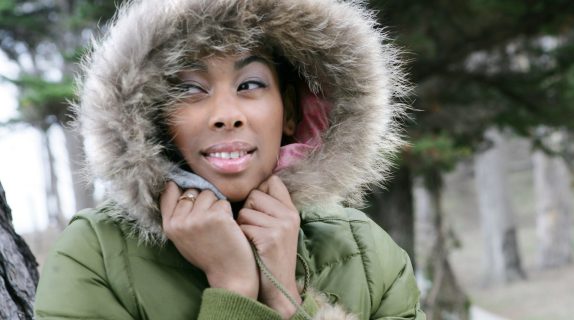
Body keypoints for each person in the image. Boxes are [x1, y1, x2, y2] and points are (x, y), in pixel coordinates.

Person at [34, 0, 425, 319]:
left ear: (290, 112)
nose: (226, 114)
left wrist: (286, 297)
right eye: (190, 88)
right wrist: (233, 285)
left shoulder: (370, 254)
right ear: (154, 116)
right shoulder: (94, 254)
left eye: (250, 84)